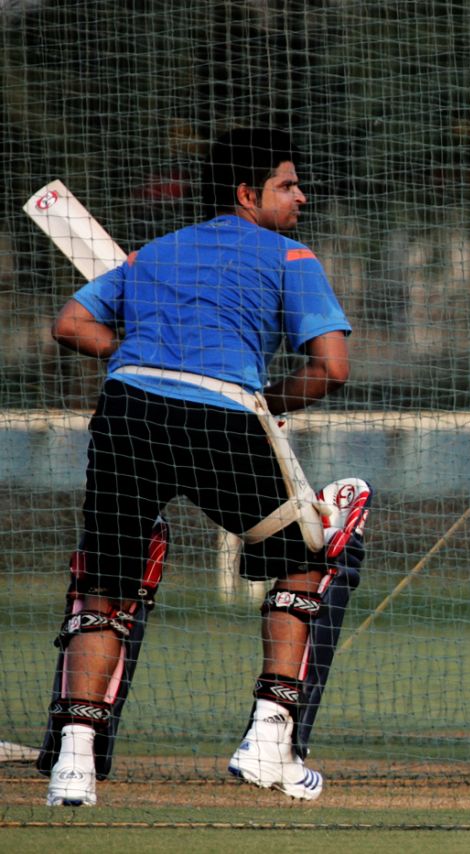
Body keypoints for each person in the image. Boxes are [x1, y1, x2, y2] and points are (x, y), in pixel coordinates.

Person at [39, 127, 372, 806]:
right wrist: (269, 402)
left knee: (107, 586)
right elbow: (332, 369)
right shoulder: (292, 255)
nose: (301, 197)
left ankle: (73, 766)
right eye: (287, 185)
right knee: (308, 555)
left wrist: (136, 354)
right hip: (222, 415)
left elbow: (70, 325)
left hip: (127, 412)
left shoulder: (154, 252)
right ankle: (269, 738)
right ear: (248, 194)